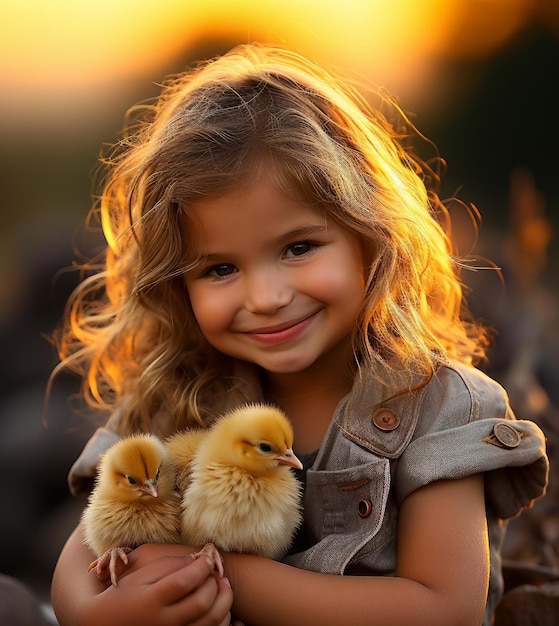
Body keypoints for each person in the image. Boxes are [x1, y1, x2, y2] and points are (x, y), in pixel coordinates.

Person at [50, 43, 548, 626]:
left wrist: (222, 573)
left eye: (298, 248)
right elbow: (80, 559)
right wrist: (97, 614)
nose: (265, 297)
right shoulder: (178, 399)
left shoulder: (438, 407)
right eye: (220, 269)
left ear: (370, 235)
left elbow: (444, 608)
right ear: (177, 286)